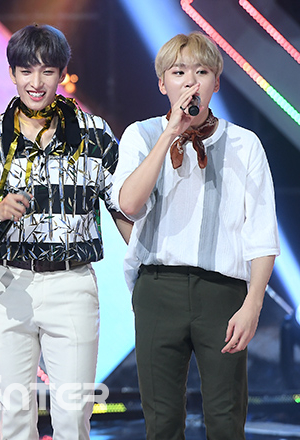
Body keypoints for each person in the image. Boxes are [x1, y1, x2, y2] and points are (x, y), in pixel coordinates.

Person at [0, 24, 131, 440]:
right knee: (14, 417)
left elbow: (121, 205)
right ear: (12, 74)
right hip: (7, 284)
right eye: (26, 71)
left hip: (72, 284)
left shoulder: (93, 133)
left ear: (62, 74)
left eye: (47, 71)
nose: (36, 82)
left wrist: (146, 263)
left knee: (73, 418)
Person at [111, 32, 280, 439]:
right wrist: (170, 134)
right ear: (162, 84)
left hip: (222, 294)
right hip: (158, 289)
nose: (190, 82)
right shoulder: (141, 135)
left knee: (225, 418)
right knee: (162, 420)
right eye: (179, 72)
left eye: (201, 72)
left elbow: (261, 232)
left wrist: (253, 304)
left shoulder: (244, 144)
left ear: (216, 82)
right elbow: (128, 204)